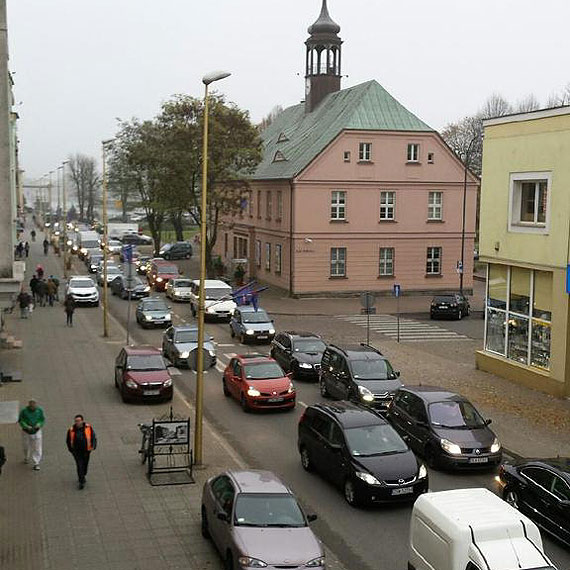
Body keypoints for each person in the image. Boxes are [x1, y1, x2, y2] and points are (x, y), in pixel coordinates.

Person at [66, 414, 97, 489]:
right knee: (79, 465)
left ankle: (83, 474)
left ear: (82, 421)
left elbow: (93, 437)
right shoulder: (71, 430)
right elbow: (68, 441)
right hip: (77, 452)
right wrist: (71, 450)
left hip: (86, 451)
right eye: (76, 421)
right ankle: (81, 481)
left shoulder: (88, 427)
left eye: (79, 421)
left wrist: (93, 446)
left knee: (85, 465)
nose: (77, 422)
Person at [18, 398, 45, 471]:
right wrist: (26, 426)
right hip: (26, 432)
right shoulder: (24, 411)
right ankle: (26, 457)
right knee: (26, 446)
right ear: (29, 405)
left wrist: (39, 424)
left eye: (34, 406)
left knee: (37, 447)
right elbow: (21, 420)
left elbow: (42, 419)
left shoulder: (39, 411)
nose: (33, 407)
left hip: (37, 431)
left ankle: (36, 462)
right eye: (31, 406)